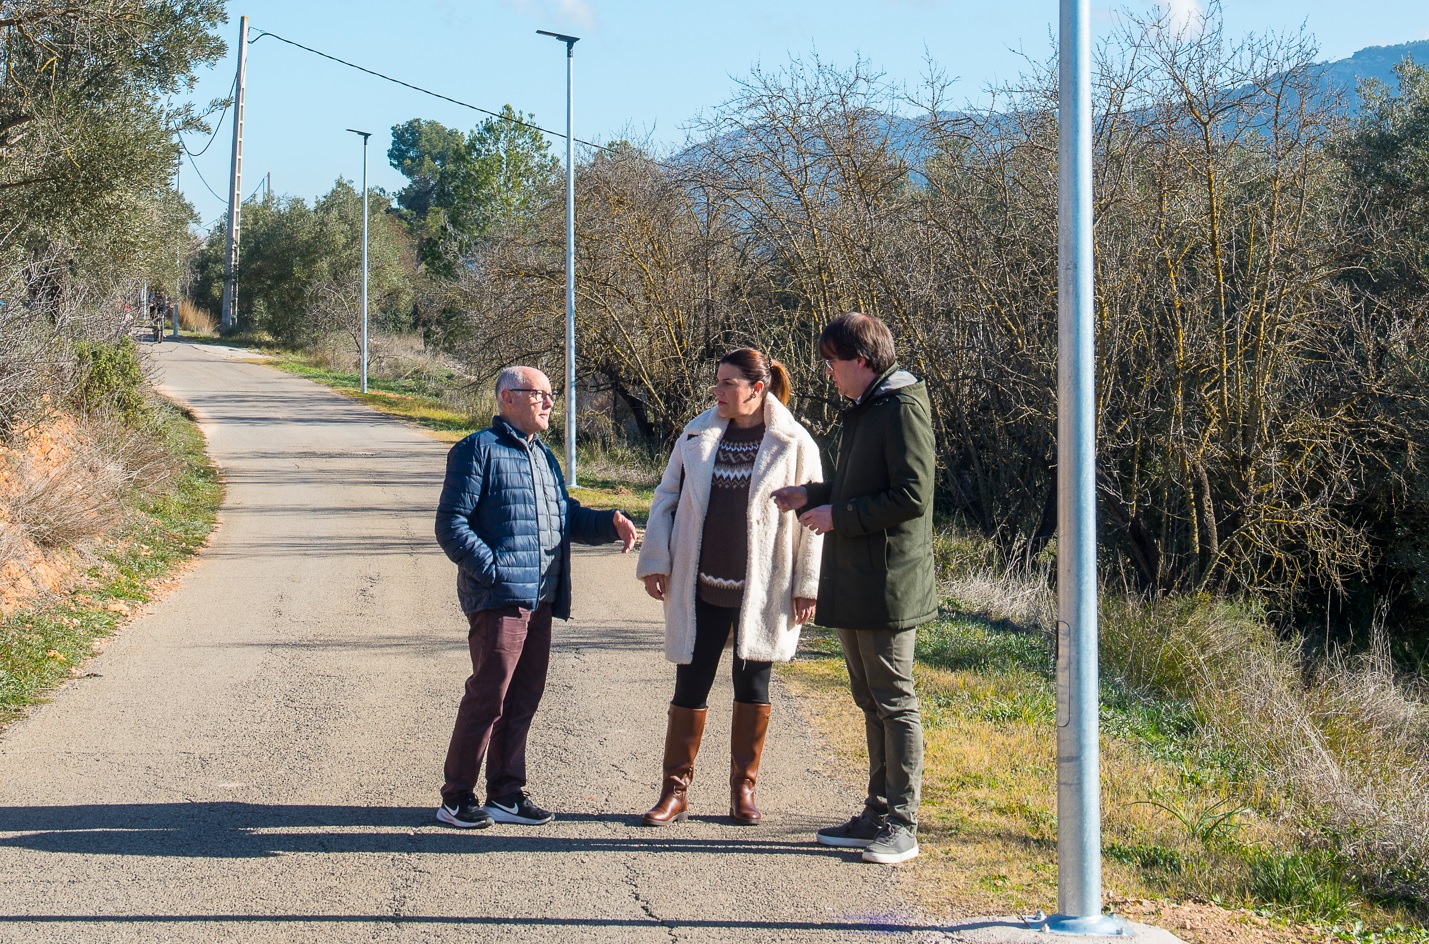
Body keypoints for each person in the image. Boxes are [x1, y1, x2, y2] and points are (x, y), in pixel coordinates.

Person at [435, 365, 638, 829]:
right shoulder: (475, 451)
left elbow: (563, 516)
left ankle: (505, 793)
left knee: (523, 697)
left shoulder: (543, 457)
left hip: (541, 597)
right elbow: (451, 525)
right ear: (508, 397)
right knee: (489, 696)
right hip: (500, 599)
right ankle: (456, 797)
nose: (550, 403)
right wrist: (495, 571)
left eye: (550, 394)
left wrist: (609, 522)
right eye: (540, 394)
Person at [772, 313, 936, 865]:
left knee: (894, 700)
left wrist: (838, 515)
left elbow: (911, 495)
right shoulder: (869, 408)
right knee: (869, 699)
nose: (827, 371)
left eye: (833, 361)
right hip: (858, 577)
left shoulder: (904, 407)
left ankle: (903, 824)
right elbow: (864, 484)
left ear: (861, 361)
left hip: (889, 582)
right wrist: (812, 493)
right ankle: (876, 813)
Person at [636, 348, 823, 827]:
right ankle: (674, 790)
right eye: (716, 382)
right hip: (700, 587)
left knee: (753, 686)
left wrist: (807, 585)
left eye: (727, 384)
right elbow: (666, 499)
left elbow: (811, 523)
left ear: (756, 389)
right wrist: (656, 559)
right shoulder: (696, 435)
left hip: (763, 590)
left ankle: (744, 790)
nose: (717, 392)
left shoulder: (794, 442)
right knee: (690, 684)